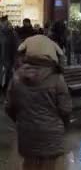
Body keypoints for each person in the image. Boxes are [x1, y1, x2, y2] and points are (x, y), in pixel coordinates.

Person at [5, 34, 72, 169]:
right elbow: (65, 109)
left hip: (27, 132)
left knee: (28, 164)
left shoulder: (17, 77)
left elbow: (9, 107)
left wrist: (21, 120)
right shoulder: (57, 78)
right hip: (52, 134)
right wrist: (62, 125)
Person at [0, 16, 18, 93]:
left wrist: (15, 60)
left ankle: (5, 90)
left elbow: (15, 47)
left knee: (7, 75)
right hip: (5, 59)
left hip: (8, 59)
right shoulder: (12, 33)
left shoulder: (12, 33)